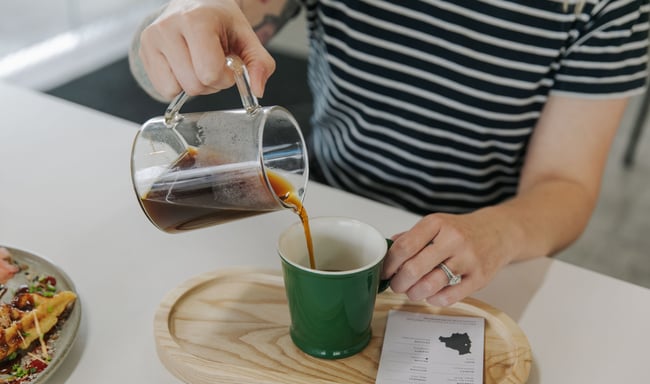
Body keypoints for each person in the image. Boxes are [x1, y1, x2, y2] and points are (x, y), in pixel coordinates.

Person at [129, 0, 649, 306]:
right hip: (323, 191)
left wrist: (496, 233)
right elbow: (218, 23)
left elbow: (567, 184)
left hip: (470, 248)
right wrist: (184, 21)